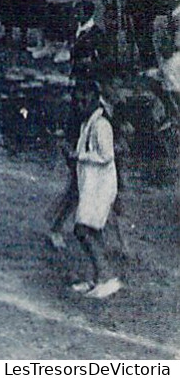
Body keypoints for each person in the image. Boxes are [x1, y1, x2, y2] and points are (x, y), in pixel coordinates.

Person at [69, 85, 122, 298]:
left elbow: (107, 155)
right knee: (92, 230)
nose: (80, 106)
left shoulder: (101, 125)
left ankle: (107, 277)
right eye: (77, 102)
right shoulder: (87, 124)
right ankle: (97, 277)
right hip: (92, 185)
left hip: (101, 186)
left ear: (94, 100)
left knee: (82, 229)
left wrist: (80, 156)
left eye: (84, 101)